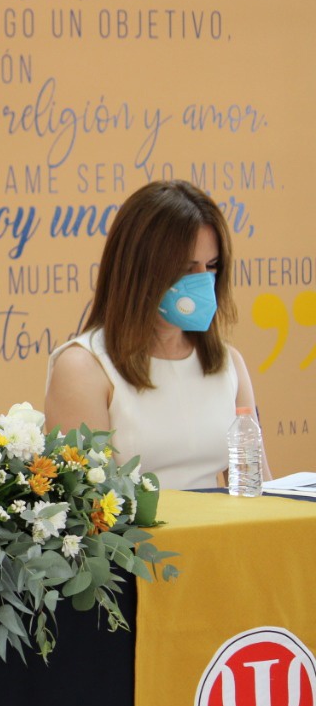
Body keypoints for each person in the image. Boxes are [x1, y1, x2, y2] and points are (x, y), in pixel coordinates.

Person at [44, 179, 268, 490]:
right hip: (135, 525)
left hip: (223, 524)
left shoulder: (229, 363)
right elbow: (89, 504)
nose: (203, 281)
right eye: (186, 268)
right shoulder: (83, 367)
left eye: (212, 265)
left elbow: (257, 489)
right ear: (139, 268)